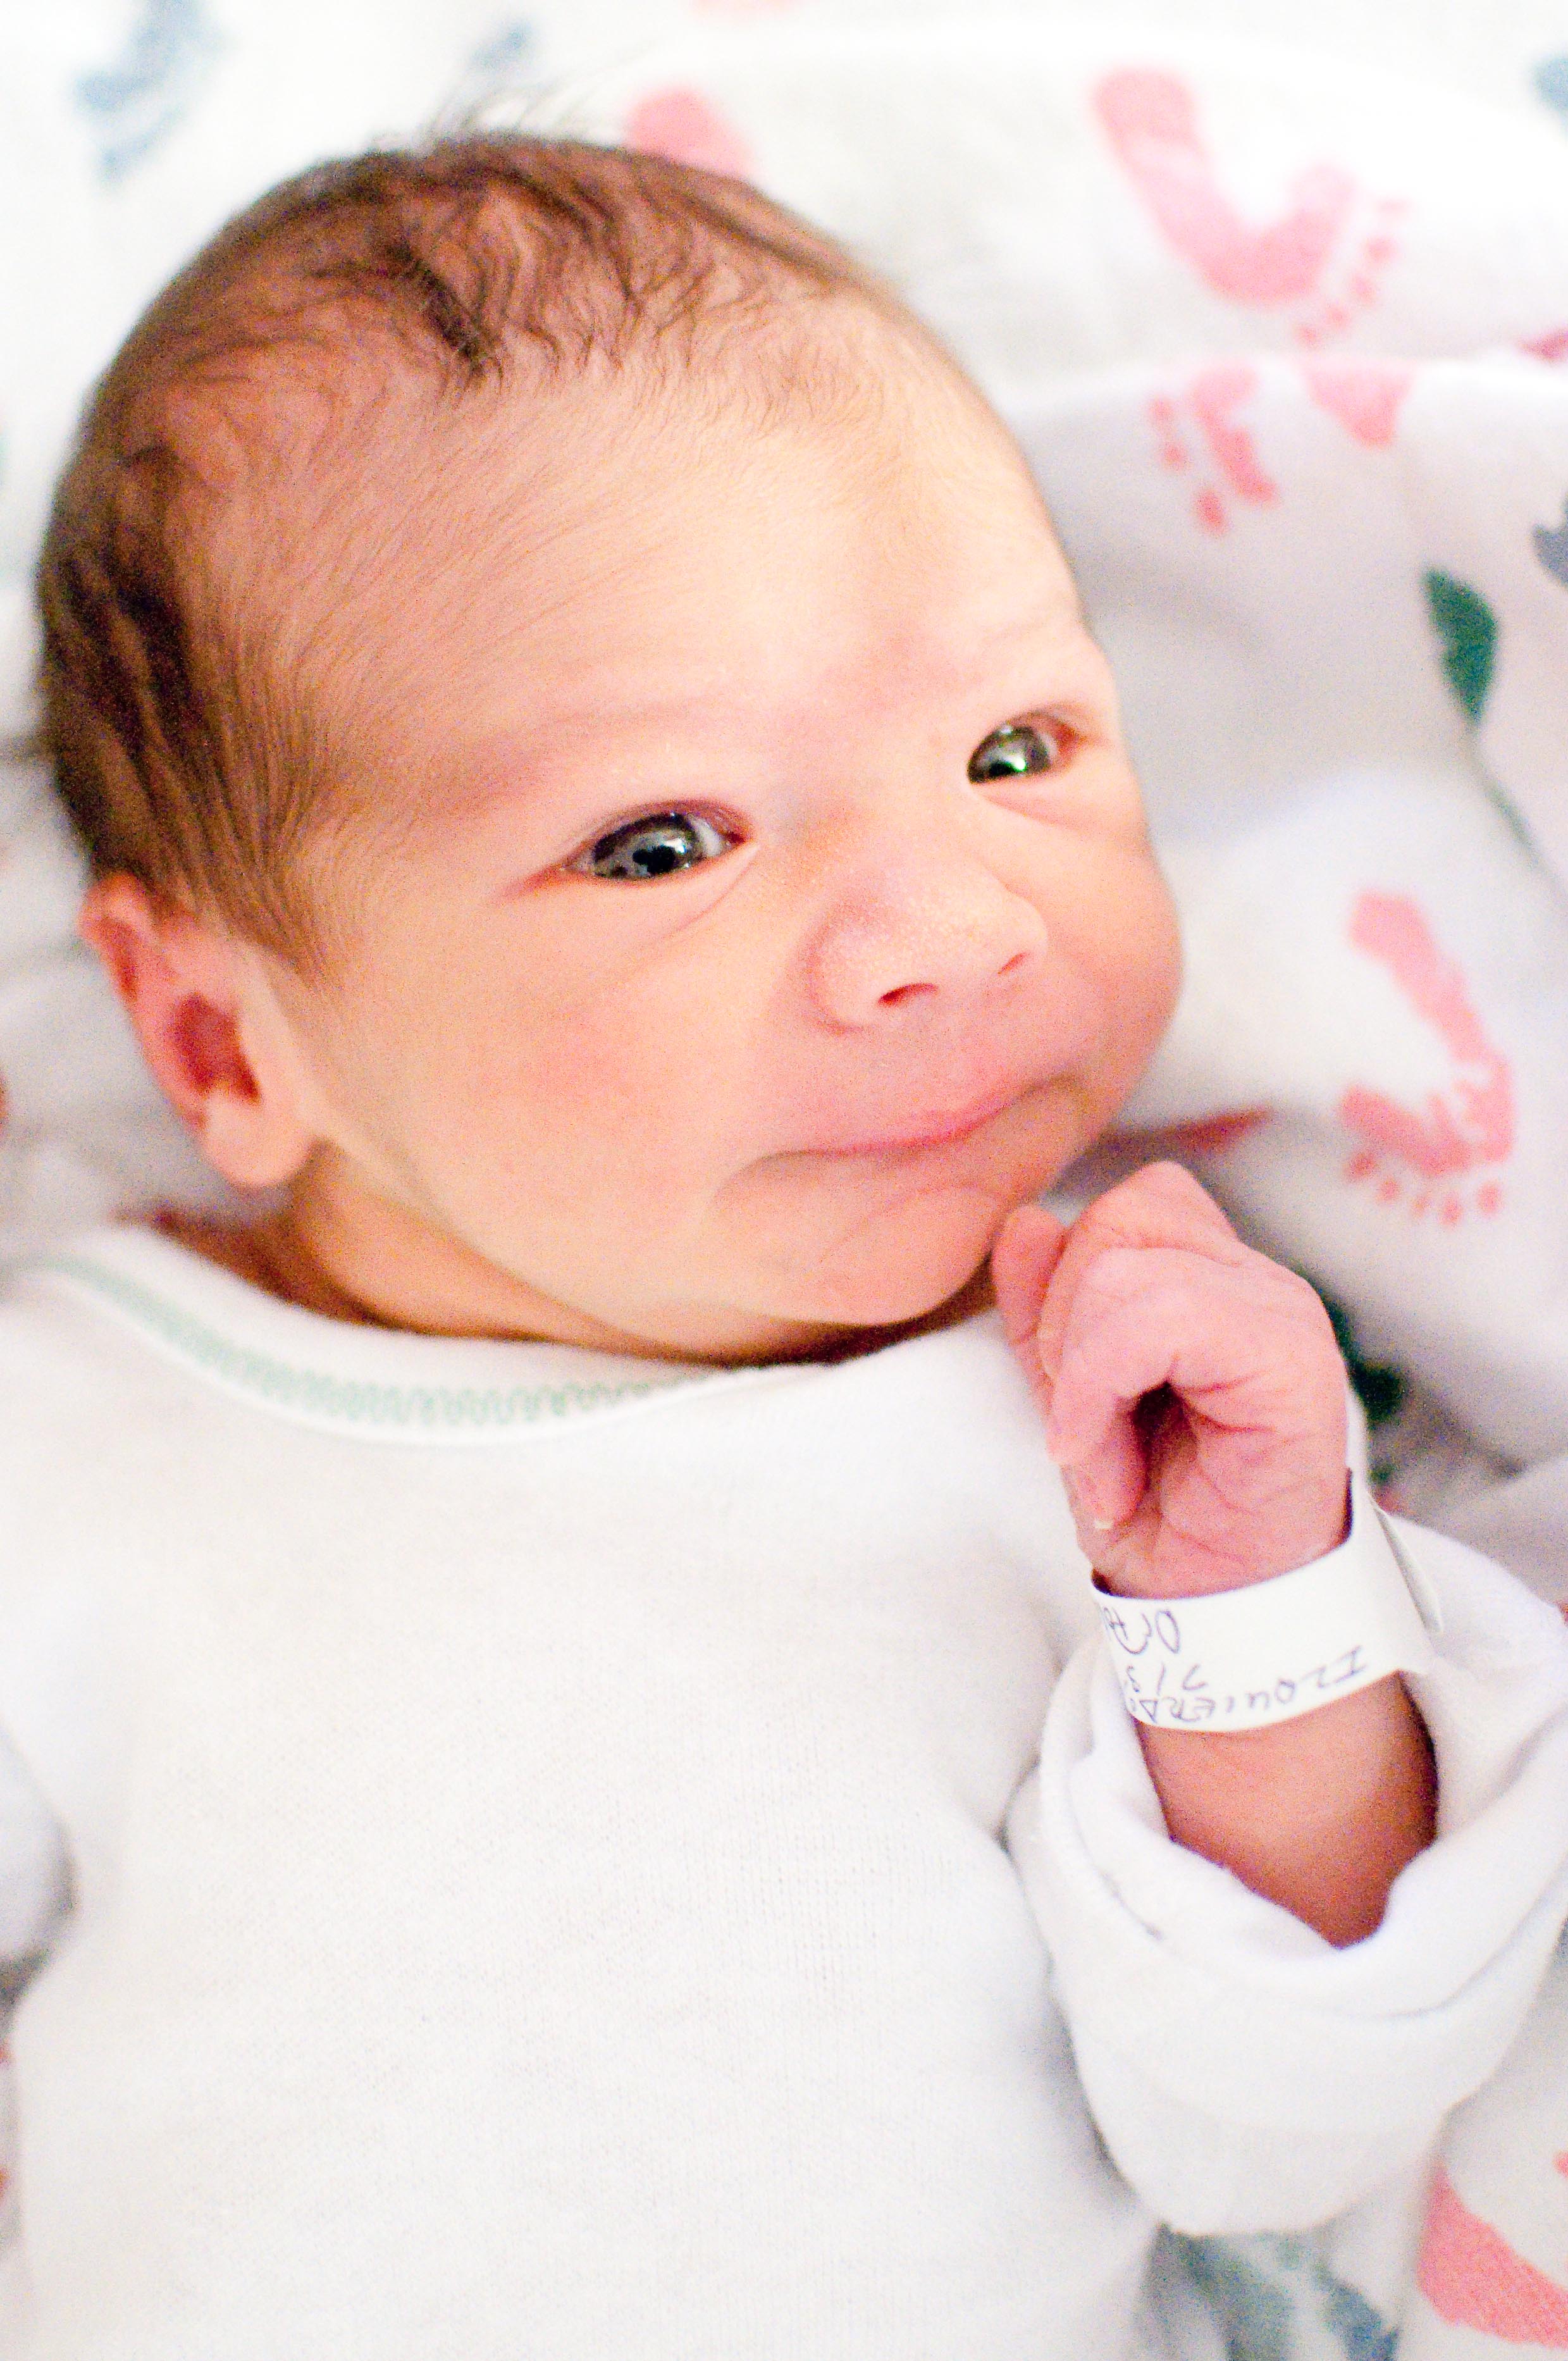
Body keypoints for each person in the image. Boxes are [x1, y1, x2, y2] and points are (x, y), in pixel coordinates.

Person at [6, 133, 1568, 2359]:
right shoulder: (81, 1434)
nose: (950, 924)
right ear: (214, 1035)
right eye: (665, 841)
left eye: (1015, 747)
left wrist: (1258, 1619)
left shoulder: (1115, 1435)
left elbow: (1278, 2130)